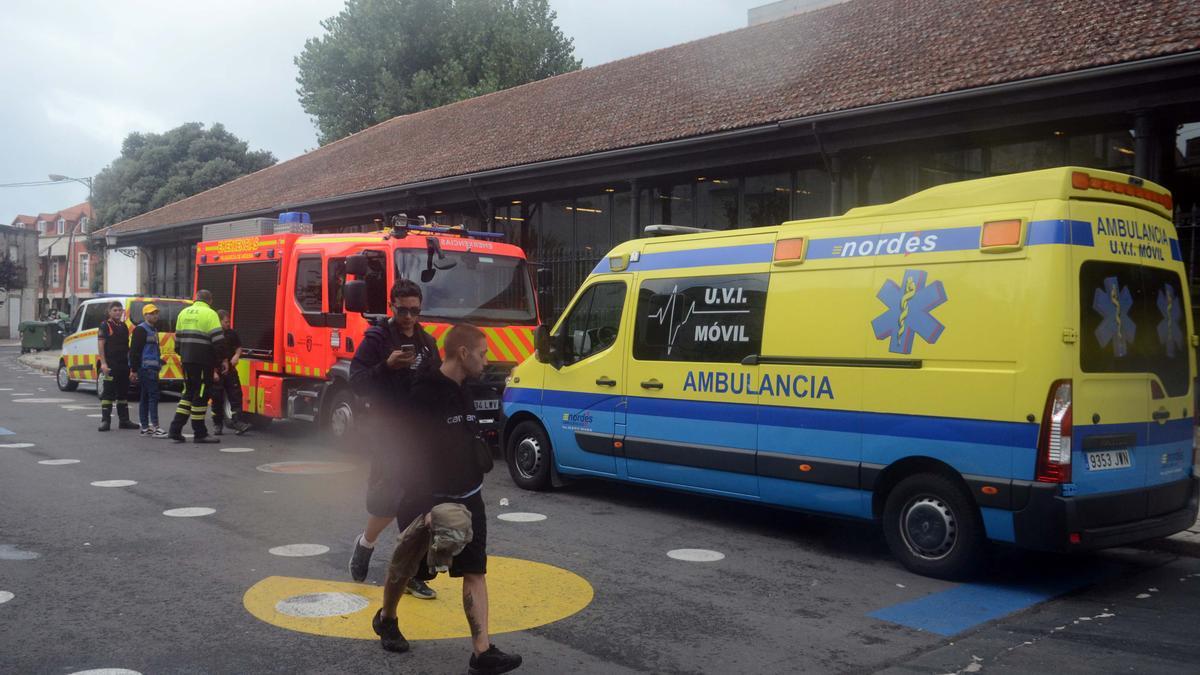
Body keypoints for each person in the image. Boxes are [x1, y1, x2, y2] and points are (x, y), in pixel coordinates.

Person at [372, 324, 522, 675]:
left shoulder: (465, 388)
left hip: (470, 498)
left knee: (475, 570)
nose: (487, 361)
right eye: (483, 354)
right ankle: (387, 618)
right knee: (408, 568)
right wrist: (424, 510)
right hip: (427, 501)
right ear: (463, 353)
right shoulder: (423, 393)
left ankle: (481, 653)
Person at [347, 280, 441, 599]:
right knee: (388, 501)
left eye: (415, 311)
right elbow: (356, 380)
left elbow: (438, 385)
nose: (409, 317)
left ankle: (410, 571)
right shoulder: (377, 339)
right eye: (403, 310)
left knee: (418, 504)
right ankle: (366, 544)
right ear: (392, 306)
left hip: (419, 434)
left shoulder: (428, 343)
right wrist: (385, 367)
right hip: (387, 431)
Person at [167, 290, 225, 444]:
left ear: (196, 299)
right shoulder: (210, 314)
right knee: (201, 394)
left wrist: (185, 355)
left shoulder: (183, 313)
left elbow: (177, 342)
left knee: (188, 393)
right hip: (203, 361)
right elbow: (218, 341)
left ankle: (175, 429)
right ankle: (200, 433)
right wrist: (221, 362)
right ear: (210, 300)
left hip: (187, 360)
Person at [97, 301, 138, 432]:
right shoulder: (105, 325)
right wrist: (103, 363)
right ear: (109, 312)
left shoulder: (124, 326)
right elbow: (101, 345)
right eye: (115, 310)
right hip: (110, 365)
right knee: (108, 394)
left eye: (120, 310)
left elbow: (127, 348)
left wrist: (131, 367)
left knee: (123, 394)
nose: (118, 312)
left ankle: (124, 421)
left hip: (123, 365)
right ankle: (105, 421)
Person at [128, 304, 168, 437]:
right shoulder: (141, 330)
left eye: (156, 313)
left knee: (145, 397)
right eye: (151, 313)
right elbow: (134, 351)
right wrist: (133, 370)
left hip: (150, 368)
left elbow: (151, 350)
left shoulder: (153, 330)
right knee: (153, 396)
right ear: (145, 315)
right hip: (146, 369)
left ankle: (145, 428)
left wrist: (159, 361)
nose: (155, 315)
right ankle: (155, 427)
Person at [209, 309, 250, 436]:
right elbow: (208, 355)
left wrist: (237, 356)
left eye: (229, 321)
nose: (228, 324)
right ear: (219, 321)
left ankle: (238, 423)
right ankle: (217, 424)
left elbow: (238, 347)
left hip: (231, 370)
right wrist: (213, 372)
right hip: (217, 371)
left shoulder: (232, 333)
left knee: (236, 396)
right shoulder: (212, 335)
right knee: (217, 399)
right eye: (226, 322)